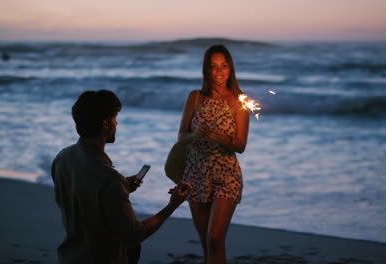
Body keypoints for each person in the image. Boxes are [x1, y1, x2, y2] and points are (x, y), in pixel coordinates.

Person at [51, 90, 192, 264]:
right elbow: (134, 235)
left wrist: (122, 187)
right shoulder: (109, 178)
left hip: (70, 258)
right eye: (114, 118)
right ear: (106, 124)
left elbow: (79, 199)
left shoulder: (62, 159)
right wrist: (173, 204)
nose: (116, 123)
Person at [178, 44, 250, 264]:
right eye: (213, 67)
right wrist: (197, 134)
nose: (219, 72)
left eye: (224, 66)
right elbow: (182, 138)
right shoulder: (196, 98)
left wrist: (222, 138)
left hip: (226, 175)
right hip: (196, 173)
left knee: (215, 238)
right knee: (206, 244)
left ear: (231, 69)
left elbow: (240, 145)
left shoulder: (240, 101)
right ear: (206, 70)